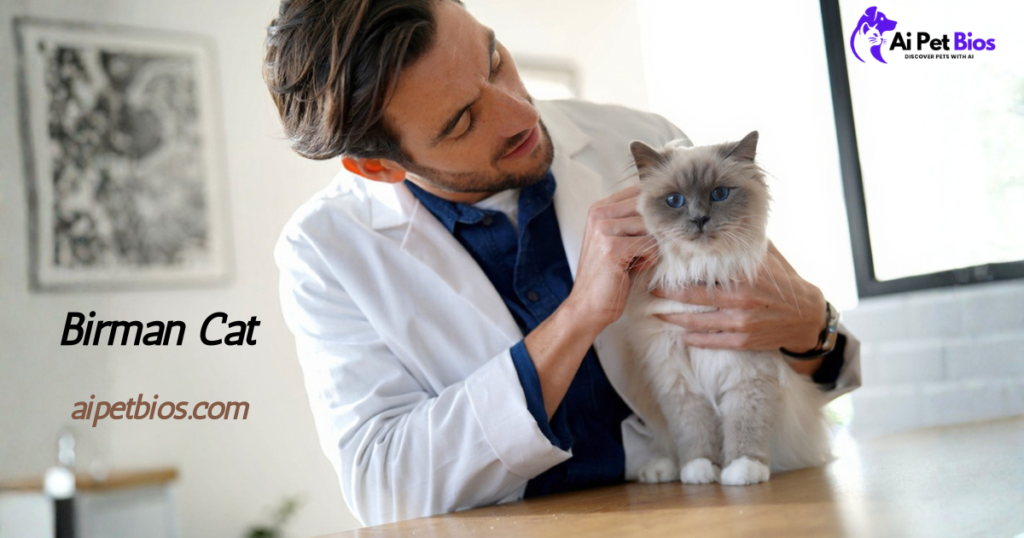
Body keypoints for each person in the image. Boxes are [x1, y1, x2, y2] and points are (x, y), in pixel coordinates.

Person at [263, 0, 861, 526]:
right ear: (379, 167)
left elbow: (796, 364)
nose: (521, 115)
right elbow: (383, 488)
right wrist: (577, 319)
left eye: (494, 59)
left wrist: (818, 328)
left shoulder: (647, 144)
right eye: (463, 120)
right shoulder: (323, 252)